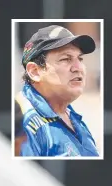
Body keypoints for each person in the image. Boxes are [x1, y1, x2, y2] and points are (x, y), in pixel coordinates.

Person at [18, 25, 99, 157]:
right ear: (35, 71)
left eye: (80, 58)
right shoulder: (24, 124)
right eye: (66, 59)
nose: (78, 68)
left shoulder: (70, 114)